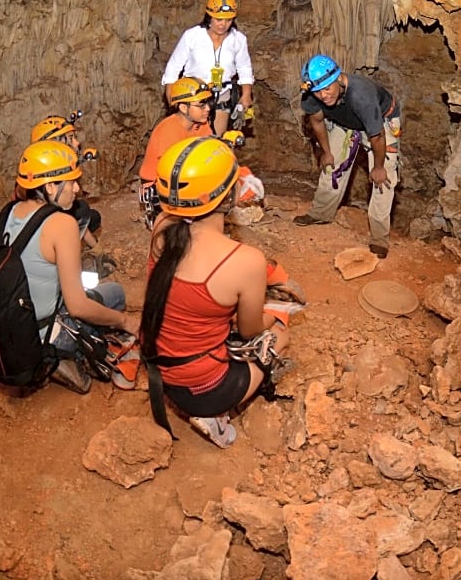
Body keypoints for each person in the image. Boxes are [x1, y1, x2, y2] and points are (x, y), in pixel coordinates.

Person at [140, 136, 289, 448]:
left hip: (158, 367)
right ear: (227, 196)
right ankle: (216, 416)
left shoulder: (162, 227)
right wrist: (276, 316)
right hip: (204, 390)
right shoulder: (245, 260)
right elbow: (250, 332)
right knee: (280, 332)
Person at [11, 139, 141, 394]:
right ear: (49, 186)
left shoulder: (12, 211)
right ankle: (65, 356)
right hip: (46, 333)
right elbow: (78, 306)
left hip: (15, 326)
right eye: (70, 182)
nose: (77, 188)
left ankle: (59, 351)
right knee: (115, 294)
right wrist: (125, 321)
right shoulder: (62, 224)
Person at [294, 54, 402, 259]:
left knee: (383, 180)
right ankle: (320, 214)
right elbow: (317, 122)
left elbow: (377, 136)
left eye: (327, 88)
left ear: (338, 78)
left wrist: (378, 167)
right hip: (346, 121)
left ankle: (379, 239)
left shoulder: (362, 95)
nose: (324, 96)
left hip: (380, 123)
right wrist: (326, 152)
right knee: (331, 165)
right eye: (318, 92)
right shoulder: (312, 95)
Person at [138, 76, 264, 230]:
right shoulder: (168, 131)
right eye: (201, 105)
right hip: (164, 186)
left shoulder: (200, 125)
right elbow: (174, 175)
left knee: (236, 175)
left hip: (187, 177)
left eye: (208, 103)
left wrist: (237, 173)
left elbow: (210, 155)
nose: (208, 109)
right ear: (184, 108)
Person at [31, 114, 114, 276]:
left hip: (46, 229)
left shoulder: (40, 169)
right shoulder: (50, 181)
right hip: (42, 244)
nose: (77, 143)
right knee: (81, 210)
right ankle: (70, 260)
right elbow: (73, 217)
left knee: (91, 216)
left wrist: (97, 248)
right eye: (71, 138)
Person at [161, 0, 253, 136]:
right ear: (209, 16)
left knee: (215, 138)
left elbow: (244, 68)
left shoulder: (238, 40)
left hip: (221, 94)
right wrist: (170, 95)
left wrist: (246, 94)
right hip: (193, 96)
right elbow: (174, 66)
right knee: (188, 138)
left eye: (228, 20)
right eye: (219, 20)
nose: (223, 24)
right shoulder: (192, 36)